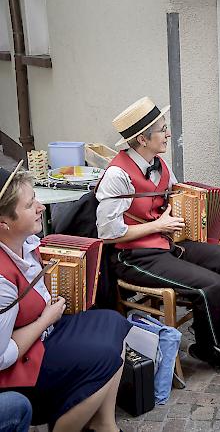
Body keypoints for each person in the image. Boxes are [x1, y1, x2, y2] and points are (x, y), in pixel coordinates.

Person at [95, 97, 220, 369]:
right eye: (162, 129)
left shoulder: (160, 164)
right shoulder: (116, 175)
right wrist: (158, 226)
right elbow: (108, 234)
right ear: (142, 139)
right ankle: (209, 347)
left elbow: (174, 196)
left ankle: (206, 329)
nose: (168, 134)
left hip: (165, 244)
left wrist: (194, 210)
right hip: (133, 257)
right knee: (212, 284)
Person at [0, 162, 131, 431]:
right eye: (29, 205)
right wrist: (45, 319)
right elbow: (2, 357)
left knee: (114, 323)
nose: (40, 208)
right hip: (20, 369)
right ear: (4, 224)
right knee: (104, 357)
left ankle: (104, 423)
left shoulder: (25, 242)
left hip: (44, 331)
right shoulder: (1, 280)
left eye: (35, 198)